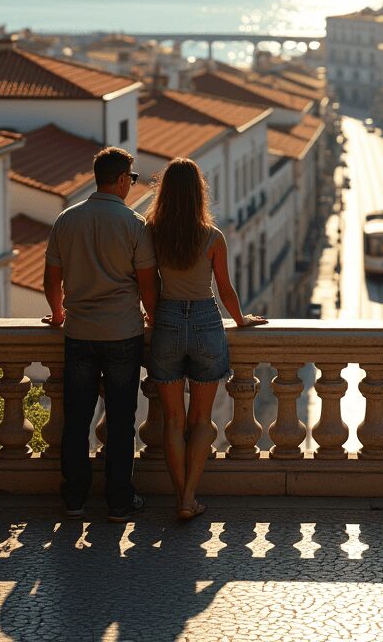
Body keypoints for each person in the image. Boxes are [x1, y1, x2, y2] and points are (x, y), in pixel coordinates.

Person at [146, 157, 267, 520]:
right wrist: (241, 319)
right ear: (199, 193)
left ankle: (178, 495)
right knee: (201, 421)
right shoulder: (213, 237)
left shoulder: (152, 232)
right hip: (205, 322)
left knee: (172, 422)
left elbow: (147, 284)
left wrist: (153, 317)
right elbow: (225, 290)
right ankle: (188, 499)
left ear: (164, 192)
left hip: (166, 319)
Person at [42, 147, 158, 522]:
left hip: (79, 333)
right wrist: (153, 319)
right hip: (123, 334)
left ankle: (74, 498)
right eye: (133, 178)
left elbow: (51, 280)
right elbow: (147, 286)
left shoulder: (66, 220)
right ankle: (119, 501)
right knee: (122, 420)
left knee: (76, 418)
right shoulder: (134, 224)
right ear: (123, 180)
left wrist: (59, 313)